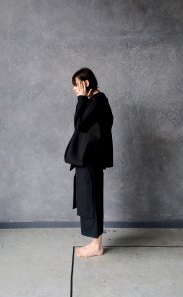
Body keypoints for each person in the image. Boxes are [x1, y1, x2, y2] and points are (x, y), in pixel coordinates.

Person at [65, 67, 113, 258]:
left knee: (92, 199)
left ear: (85, 83)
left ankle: (97, 246)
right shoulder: (93, 101)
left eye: (76, 85)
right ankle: (95, 242)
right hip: (87, 160)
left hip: (92, 159)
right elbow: (79, 123)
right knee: (87, 198)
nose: (75, 89)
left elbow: (80, 125)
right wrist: (82, 100)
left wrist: (81, 99)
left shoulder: (99, 101)